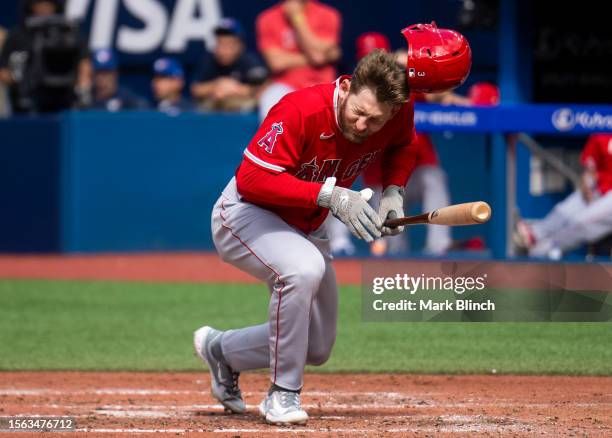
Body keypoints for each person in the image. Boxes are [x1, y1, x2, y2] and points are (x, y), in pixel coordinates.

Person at [193, 22, 471, 425]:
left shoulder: (396, 112)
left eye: (374, 121)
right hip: (245, 213)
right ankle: (282, 395)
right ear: (348, 87)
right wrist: (329, 195)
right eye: (358, 113)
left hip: (306, 224)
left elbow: (403, 145)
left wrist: (394, 192)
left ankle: (222, 350)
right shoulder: (301, 108)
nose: (363, 126)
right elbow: (253, 180)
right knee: (303, 270)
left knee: (317, 345)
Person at [514, 133, 612, 260]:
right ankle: (534, 234)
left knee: (581, 222)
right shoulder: (602, 127)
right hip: (600, 188)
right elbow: (590, 169)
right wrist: (588, 184)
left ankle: (547, 249)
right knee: (564, 211)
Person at [256, 0, 341, 121]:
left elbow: (317, 56)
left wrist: (297, 18)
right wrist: (322, 56)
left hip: (322, 85)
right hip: (285, 85)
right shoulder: (267, 18)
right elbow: (276, 63)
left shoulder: (328, 14)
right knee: (270, 104)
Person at [0, 0, 91, 113]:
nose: (44, 9)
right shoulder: (17, 35)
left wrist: (83, 90)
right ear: (31, 5)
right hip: (25, 104)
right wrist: (21, 79)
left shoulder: (69, 33)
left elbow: (84, 64)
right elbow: (2, 71)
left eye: (48, 4)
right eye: (39, 4)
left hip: (65, 101)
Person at [191, 18, 268, 112]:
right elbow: (196, 89)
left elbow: (263, 90)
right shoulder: (209, 59)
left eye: (229, 44)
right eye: (220, 43)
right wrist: (217, 85)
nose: (223, 50)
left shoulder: (249, 60)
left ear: (239, 45)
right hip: (214, 108)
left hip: (241, 110)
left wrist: (235, 88)